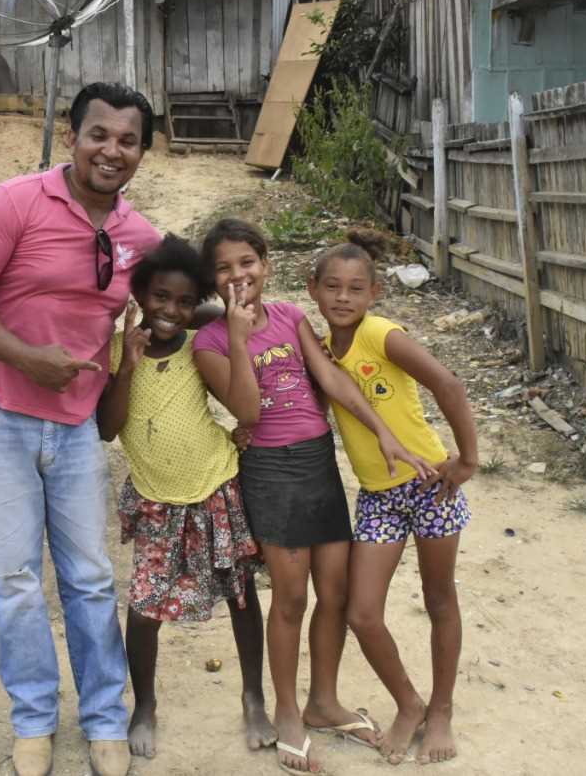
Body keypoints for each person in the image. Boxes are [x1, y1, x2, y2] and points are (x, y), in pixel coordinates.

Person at [0, 82, 164, 776]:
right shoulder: (15, 203)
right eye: (99, 134)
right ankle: (33, 717)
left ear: (142, 152)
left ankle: (102, 717)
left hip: (77, 429)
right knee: (17, 576)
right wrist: (30, 358)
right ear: (72, 136)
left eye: (127, 140)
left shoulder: (139, 238)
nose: (111, 150)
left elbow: (190, 298)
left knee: (90, 577)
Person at [192, 218, 435, 775]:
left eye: (247, 263)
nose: (238, 275)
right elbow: (248, 413)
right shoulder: (206, 345)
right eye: (224, 267)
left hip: (318, 463)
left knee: (335, 591)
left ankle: (322, 701)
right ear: (211, 276)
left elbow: (329, 376)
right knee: (292, 597)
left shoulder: (291, 317)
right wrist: (234, 334)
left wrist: (381, 430)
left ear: (266, 265)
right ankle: (286, 712)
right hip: (270, 471)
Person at [95, 234, 274, 762]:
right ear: (139, 296)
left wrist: (203, 309)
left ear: (196, 304)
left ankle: (253, 696)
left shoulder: (202, 345)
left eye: (183, 301)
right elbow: (108, 428)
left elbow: (236, 389)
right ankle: (145, 703)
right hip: (156, 499)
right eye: (159, 297)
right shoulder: (116, 350)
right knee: (145, 608)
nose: (170, 310)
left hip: (216, 489)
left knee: (241, 596)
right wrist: (127, 364)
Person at [309, 229, 476, 766]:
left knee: (439, 599)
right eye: (332, 286)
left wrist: (467, 459)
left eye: (355, 288)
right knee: (362, 612)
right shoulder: (321, 350)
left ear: (375, 293)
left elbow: (448, 385)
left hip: (430, 486)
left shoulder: (380, 334)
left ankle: (442, 709)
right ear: (312, 289)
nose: (342, 298)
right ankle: (410, 702)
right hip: (378, 497)